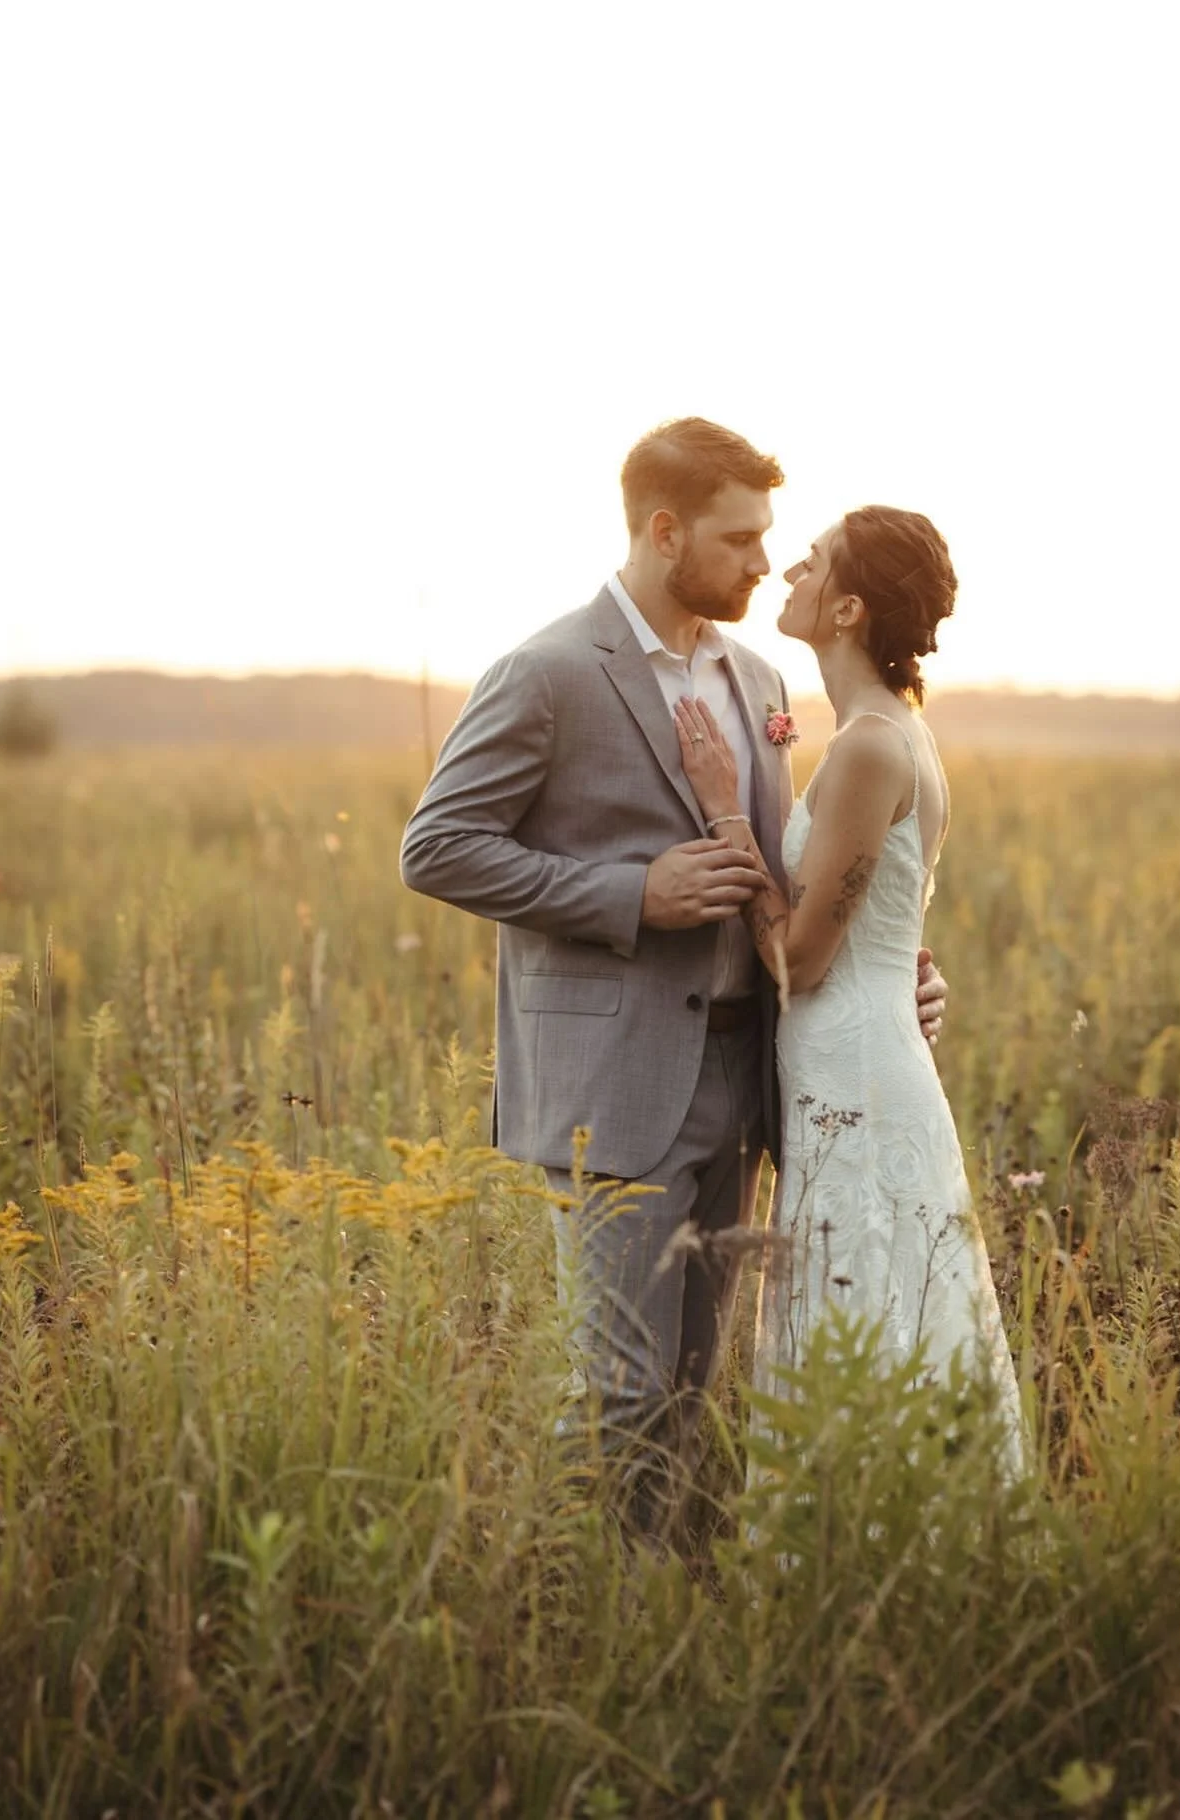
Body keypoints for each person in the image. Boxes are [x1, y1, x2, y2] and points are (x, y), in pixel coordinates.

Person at [399, 423, 949, 1523]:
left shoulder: (760, 678)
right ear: (663, 530)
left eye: (769, 542)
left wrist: (893, 980)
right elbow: (437, 847)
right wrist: (629, 895)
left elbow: (805, 873)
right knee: (617, 1394)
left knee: (697, 1392)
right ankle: (592, 1630)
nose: (762, 563)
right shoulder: (548, 671)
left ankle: (676, 1629)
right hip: (616, 1084)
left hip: (753, 1078)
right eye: (739, 538)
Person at [672, 506, 1024, 1472]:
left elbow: (798, 962)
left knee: (865, 1319)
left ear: (848, 608)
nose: (788, 570)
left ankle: (870, 1554)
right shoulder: (877, 733)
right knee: (860, 1317)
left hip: (858, 1079)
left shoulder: (872, 746)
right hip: (848, 1062)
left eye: (813, 563)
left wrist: (721, 815)